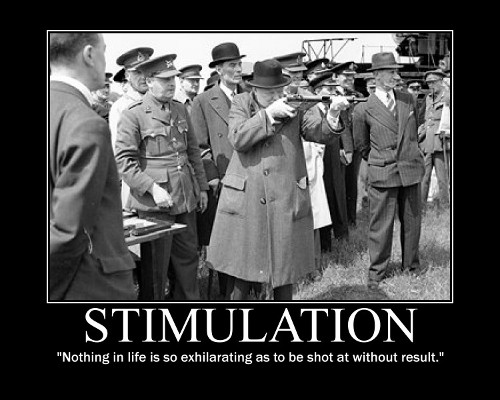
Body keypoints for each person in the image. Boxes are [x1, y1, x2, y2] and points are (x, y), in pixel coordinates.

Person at [206, 59, 350, 301]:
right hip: (247, 196)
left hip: (284, 196)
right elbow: (238, 138)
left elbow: (317, 133)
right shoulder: (241, 102)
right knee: (242, 271)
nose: (276, 96)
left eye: (278, 90)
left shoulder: (294, 105)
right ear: (254, 89)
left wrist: (333, 114)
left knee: (284, 271)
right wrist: (268, 115)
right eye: (269, 92)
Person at [49, 32, 136, 300]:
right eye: (103, 51)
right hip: (87, 284)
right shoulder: (86, 122)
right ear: (89, 54)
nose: (104, 60)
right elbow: (70, 230)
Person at [115, 54, 209, 300]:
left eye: (173, 79)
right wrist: (152, 188)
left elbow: (192, 152)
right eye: (165, 80)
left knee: (188, 260)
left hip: (185, 196)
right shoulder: (133, 114)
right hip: (155, 203)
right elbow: (124, 162)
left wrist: (202, 188)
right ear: (149, 82)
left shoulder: (179, 108)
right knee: (156, 267)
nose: (171, 84)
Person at [353, 52, 426, 290]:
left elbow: (414, 132)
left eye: (396, 71)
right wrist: (381, 160)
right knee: (381, 225)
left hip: (410, 170)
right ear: (376, 75)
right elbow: (362, 145)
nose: (396, 76)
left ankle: (411, 266)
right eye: (390, 72)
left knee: (412, 222)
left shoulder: (408, 99)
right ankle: (377, 272)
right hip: (383, 172)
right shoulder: (363, 108)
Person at [190, 42, 247, 298]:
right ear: (219, 70)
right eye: (232, 65)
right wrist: (212, 177)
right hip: (223, 182)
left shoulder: (249, 97)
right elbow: (199, 146)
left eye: (239, 64)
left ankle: (252, 289)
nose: (238, 70)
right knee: (227, 240)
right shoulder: (203, 101)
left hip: (251, 178)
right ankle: (228, 292)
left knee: (249, 236)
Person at [309, 71, 350, 249]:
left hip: (333, 157)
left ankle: (340, 233)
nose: (333, 92)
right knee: (321, 198)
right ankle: (324, 242)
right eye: (329, 88)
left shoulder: (332, 107)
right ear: (318, 91)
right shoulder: (312, 110)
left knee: (336, 194)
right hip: (317, 161)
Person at [109, 47, 154, 208]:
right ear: (127, 75)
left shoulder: (162, 102)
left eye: (146, 70)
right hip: (137, 188)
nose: (143, 77)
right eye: (137, 72)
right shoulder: (121, 107)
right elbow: (120, 156)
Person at [331, 61, 364, 227]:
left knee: (351, 183)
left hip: (354, 146)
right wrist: (343, 147)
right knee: (338, 185)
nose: (350, 79)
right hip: (338, 146)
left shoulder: (356, 95)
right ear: (336, 77)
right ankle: (339, 221)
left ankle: (351, 220)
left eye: (352, 76)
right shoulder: (331, 94)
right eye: (346, 76)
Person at [418, 69, 450, 210]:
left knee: (442, 177)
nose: (430, 85)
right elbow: (424, 117)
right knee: (424, 177)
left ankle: (445, 207)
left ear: (441, 81)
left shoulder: (448, 96)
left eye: (433, 82)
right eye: (428, 83)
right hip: (427, 141)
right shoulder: (428, 98)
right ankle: (421, 207)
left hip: (441, 141)